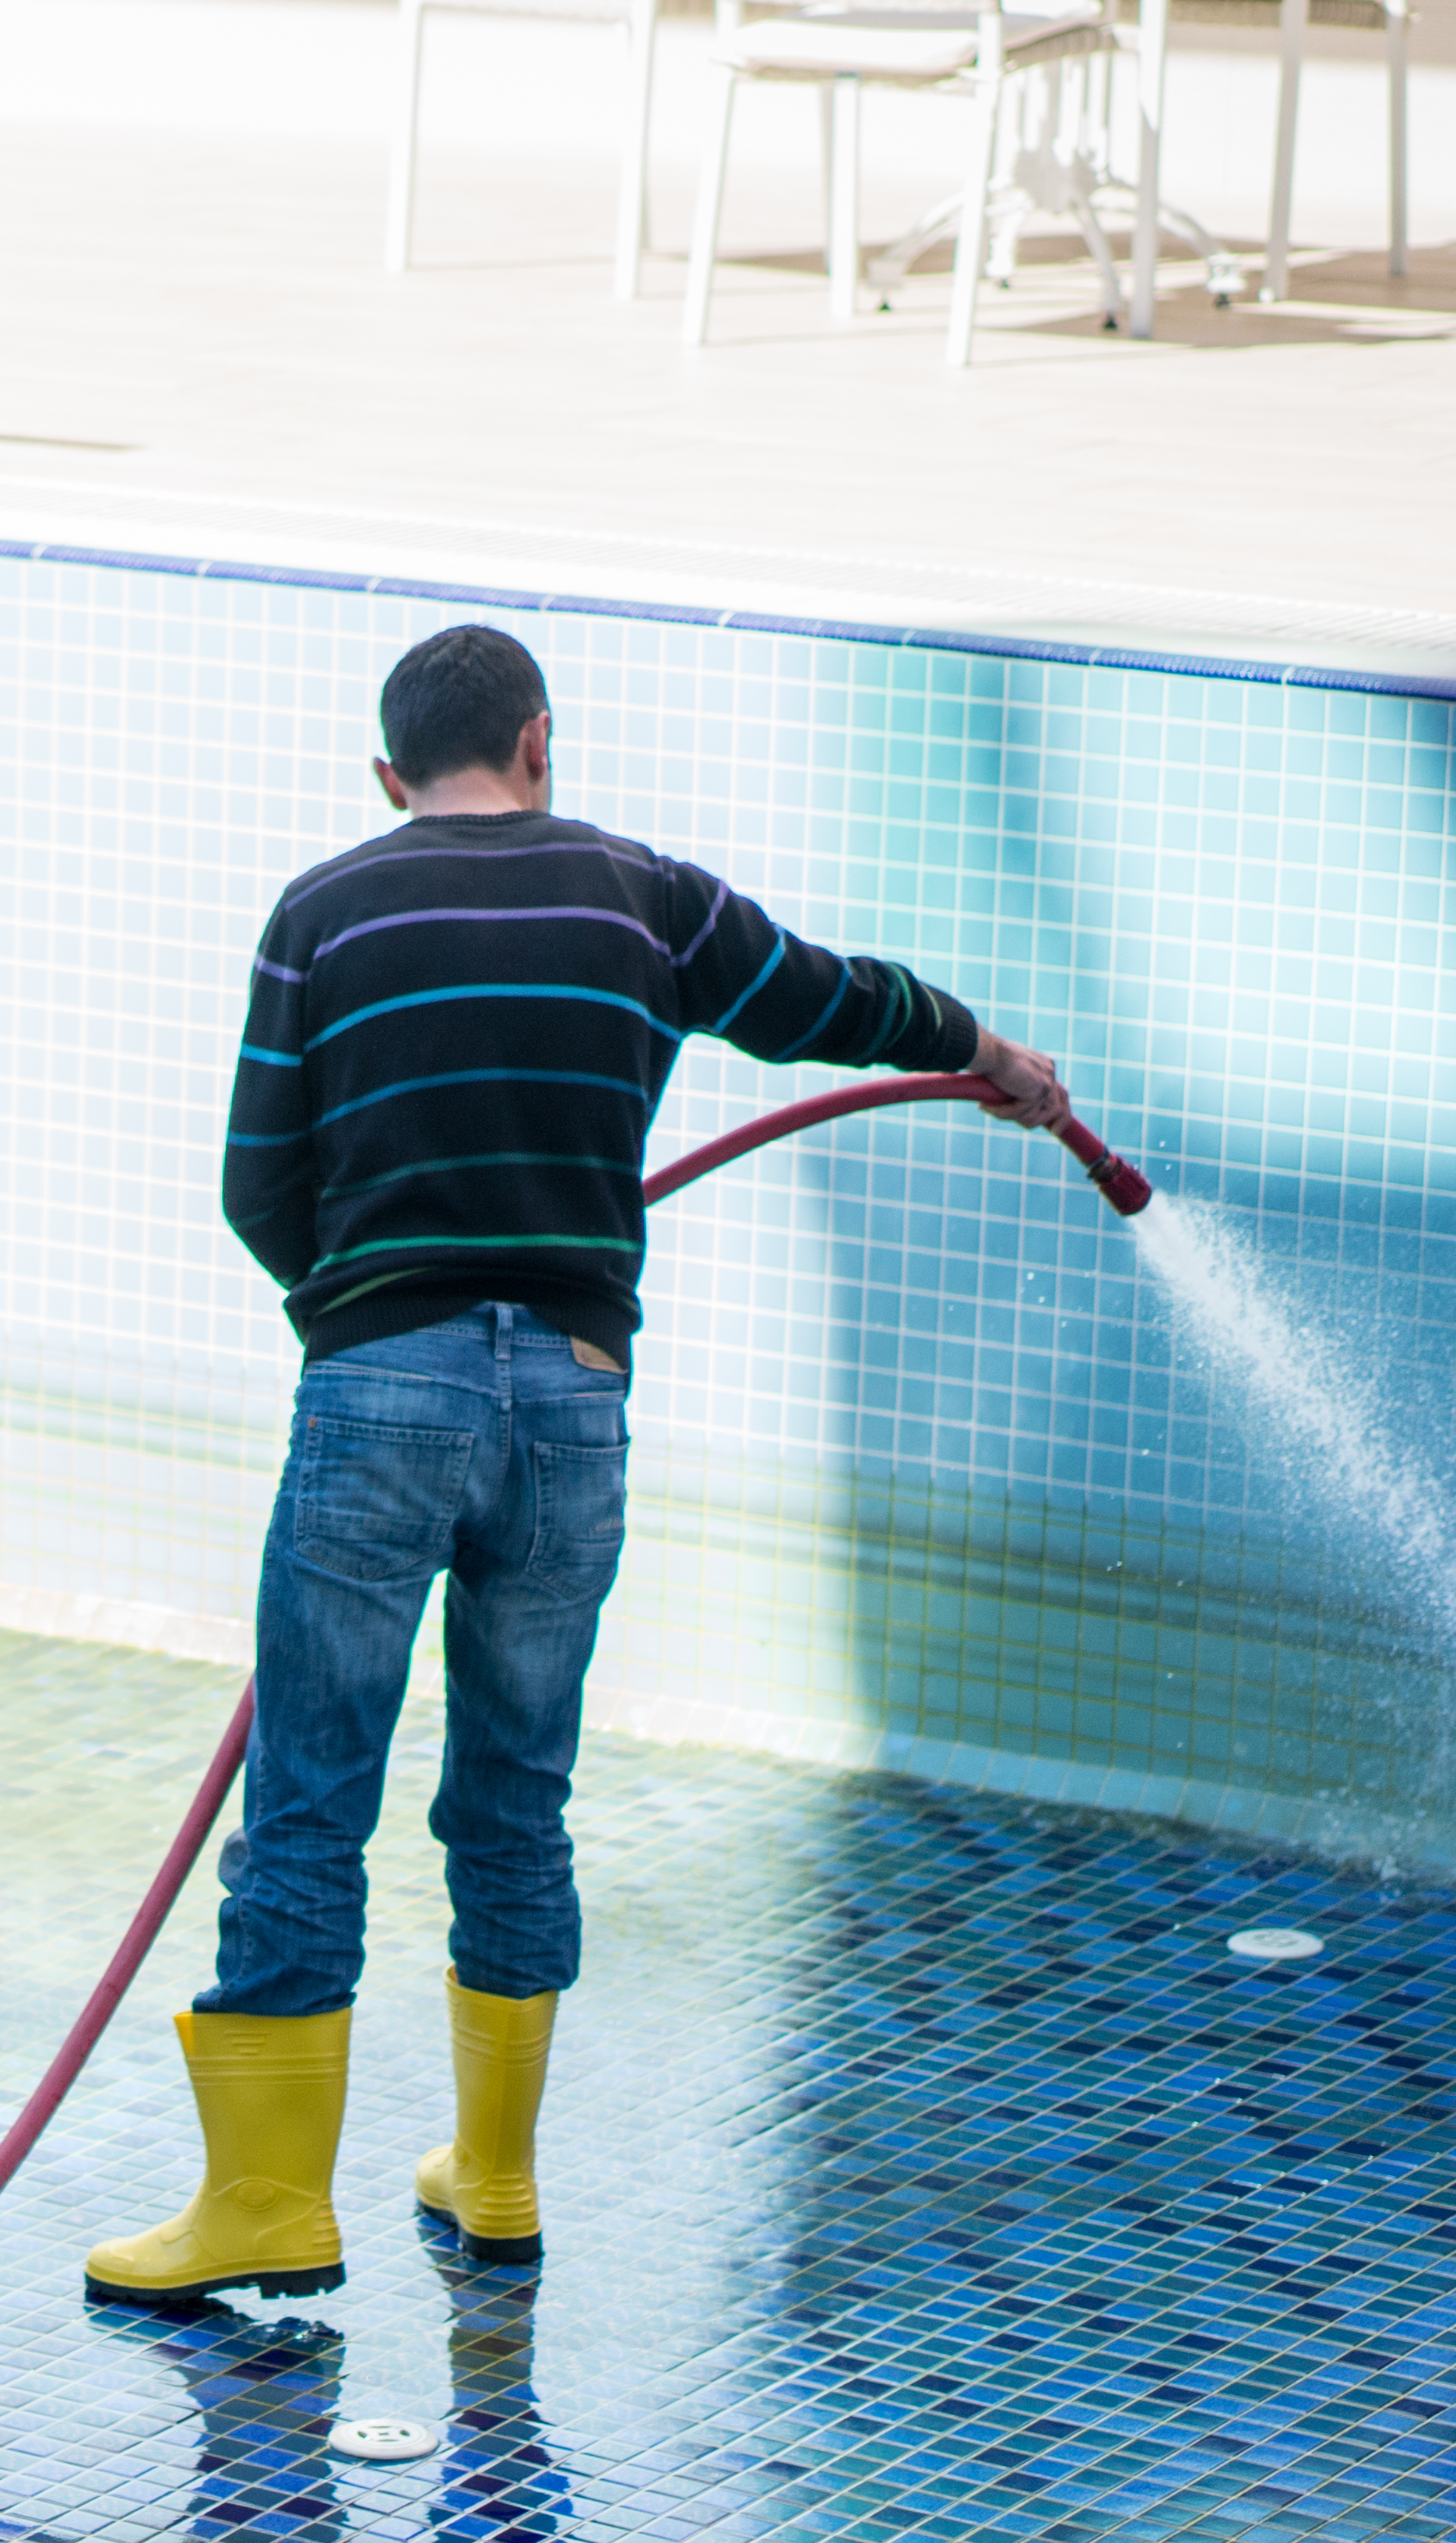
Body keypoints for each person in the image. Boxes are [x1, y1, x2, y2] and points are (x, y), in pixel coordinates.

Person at [90, 622, 1073, 2308]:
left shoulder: (323, 913)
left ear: (390, 778)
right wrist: (985, 1056)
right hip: (573, 1397)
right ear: (537, 743)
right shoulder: (643, 899)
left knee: (312, 1793)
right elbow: (836, 1000)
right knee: (515, 1791)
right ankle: (493, 2176)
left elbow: (259, 1186)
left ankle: (265, 2204)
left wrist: (365, 1318)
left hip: (379, 1392)